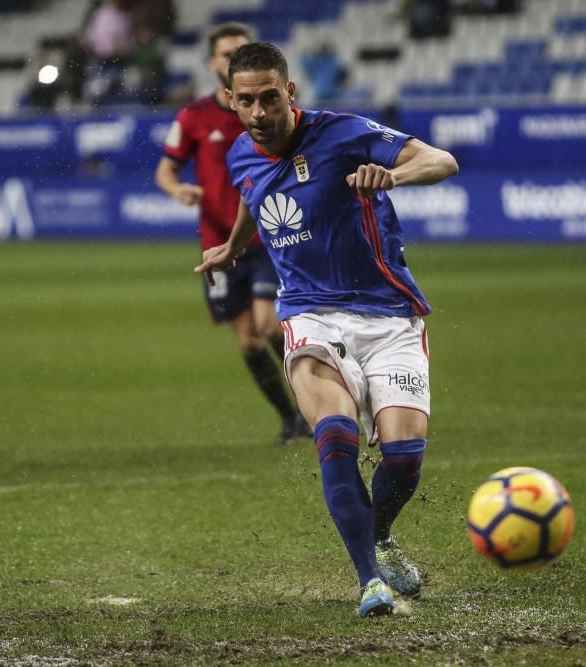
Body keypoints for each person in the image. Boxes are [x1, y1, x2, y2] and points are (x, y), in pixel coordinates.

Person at [195, 42, 458, 616]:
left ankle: (381, 537)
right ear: (230, 102)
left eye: (270, 98)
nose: (260, 112)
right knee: (335, 432)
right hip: (310, 312)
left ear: (290, 92)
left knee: (405, 456)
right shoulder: (241, 152)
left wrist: (391, 175)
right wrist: (236, 247)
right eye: (248, 102)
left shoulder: (342, 133)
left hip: (390, 313)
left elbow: (442, 160)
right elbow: (252, 193)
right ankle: (370, 582)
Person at [155, 25, 309, 445]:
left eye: (240, 51)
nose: (233, 58)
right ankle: (289, 418)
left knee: (269, 324)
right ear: (212, 64)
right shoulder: (193, 117)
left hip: (266, 238)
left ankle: (313, 408)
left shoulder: (275, 114)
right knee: (247, 339)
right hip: (216, 242)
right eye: (226, 54)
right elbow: (165, 168)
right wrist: (178, 189)